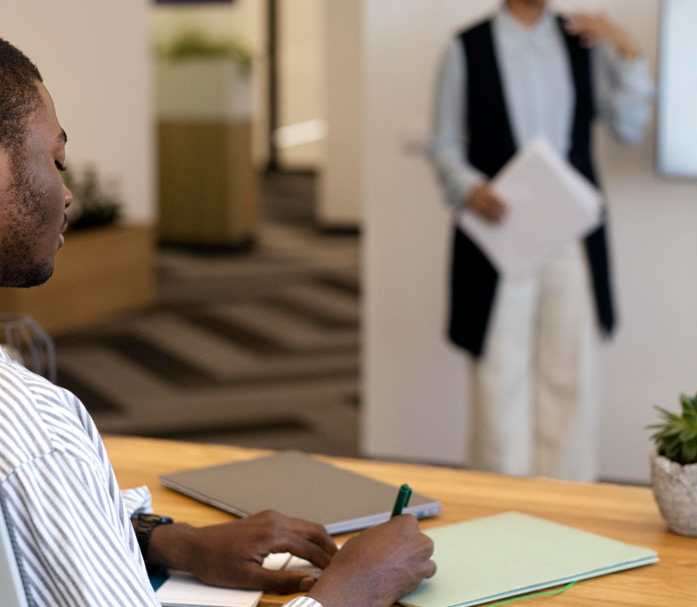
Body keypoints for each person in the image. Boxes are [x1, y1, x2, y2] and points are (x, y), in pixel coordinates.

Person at [0, 37, 436, 606]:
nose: (67, 193)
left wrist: (174, 542)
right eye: (56, 161)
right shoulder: (33, 434)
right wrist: (352, 587)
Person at [427, 0, 653, 480]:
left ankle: (567, 496)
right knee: (498, 370)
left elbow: (627, 127)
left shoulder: (583, 43)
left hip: (570, 232)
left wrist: (627, 51)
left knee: (569, 372)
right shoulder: (466, 47)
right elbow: (444, 143)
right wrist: (468, 187)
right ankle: (501, 496)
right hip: (501, 233)